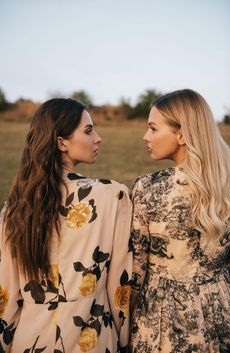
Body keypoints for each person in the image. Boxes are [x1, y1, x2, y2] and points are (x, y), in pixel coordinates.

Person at [0, 98, 132, 353]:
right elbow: (120, 286)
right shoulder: (113, 196)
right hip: (91, 342)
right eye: (88, 130)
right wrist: (124, 340)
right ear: (61, 142)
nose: (98, 138)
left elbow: (5, 293)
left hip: (29, 341)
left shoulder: (15, 206)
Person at [129, 89, 230, 353]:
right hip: (222, 310)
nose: (146, 136)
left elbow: (136, 271)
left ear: (181, 134)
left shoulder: (148, 188)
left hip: (163, 318)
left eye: (153, 128)